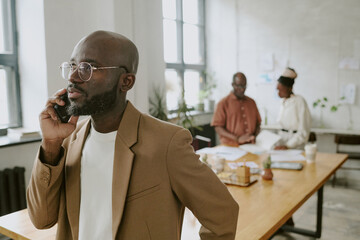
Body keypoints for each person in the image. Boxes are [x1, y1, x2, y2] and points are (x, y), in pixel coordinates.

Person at [27, 31, 239, 240]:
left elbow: (222, 214)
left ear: (126, 82)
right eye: (73, 66)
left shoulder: (166, 143)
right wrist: (51, 145)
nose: (73, 77)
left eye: (87, 68)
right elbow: (41, 219)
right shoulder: (67, 140)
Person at [211, 72, 261, 146]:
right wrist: (237, 138)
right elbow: (218, 127)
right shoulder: (223, 103)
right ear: (233, 85)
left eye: (244, 86)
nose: (242, 89)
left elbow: (258, 123)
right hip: (230, 146)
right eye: (239, 86)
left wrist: (254, 136)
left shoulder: (251, 102)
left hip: (251, 145)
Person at [274, 67, 311, 150]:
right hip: (281, 142)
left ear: (289, 88)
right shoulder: (283, 102)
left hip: (295, 145)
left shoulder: (299, 101)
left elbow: (303, 132)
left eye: (280, 89)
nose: (278, 92)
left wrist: (288, 145)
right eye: (277, 89)